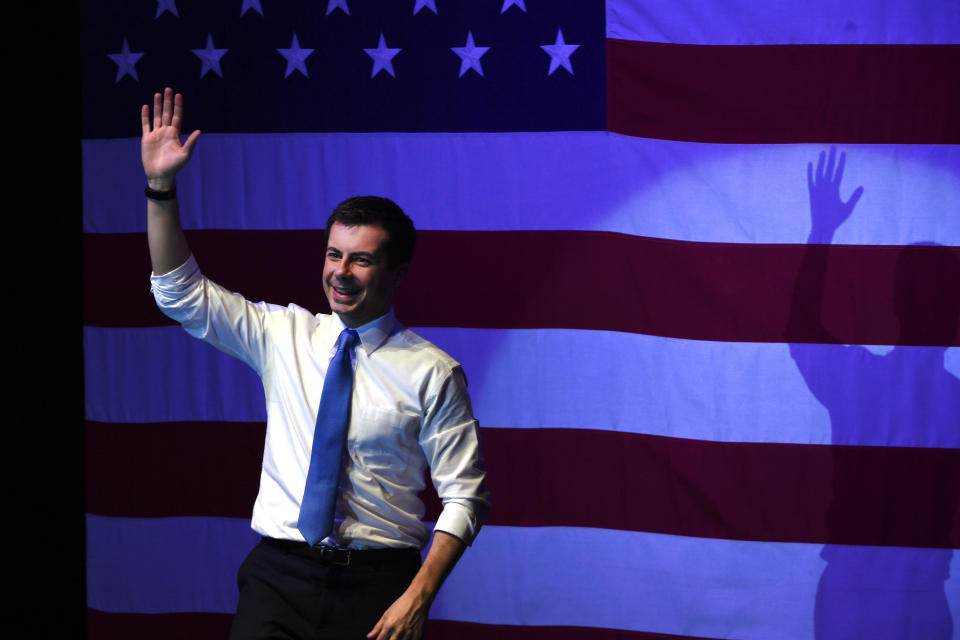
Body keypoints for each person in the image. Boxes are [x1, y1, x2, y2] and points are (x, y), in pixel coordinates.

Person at [141, 87, 490, 640]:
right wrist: (161, 188)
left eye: (361, 259)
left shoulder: (433, 371)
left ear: (396, 274)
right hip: (279, 578)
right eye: (333, 254)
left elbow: (465, 496)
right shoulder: (284, 333)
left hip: (380, 589)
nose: (341, 271)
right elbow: (179, 293)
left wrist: (417, 597)